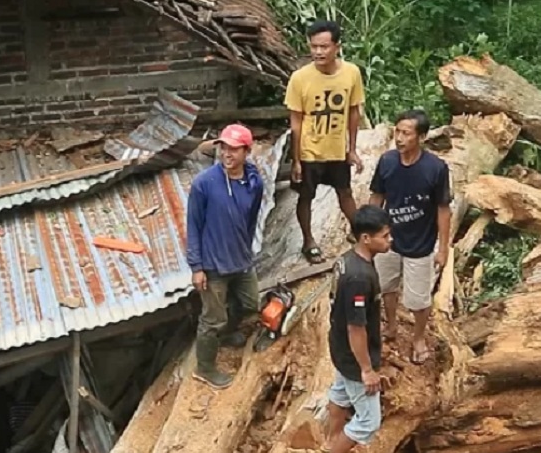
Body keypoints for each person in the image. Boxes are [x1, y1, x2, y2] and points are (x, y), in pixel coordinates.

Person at [186, 123, 266, 389]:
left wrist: (246, 249)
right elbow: (193, 225)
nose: (227, 154)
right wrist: (197, 267)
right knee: (212, 319)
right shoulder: (204, 184)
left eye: (234, 149)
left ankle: (229, 332)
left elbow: (251, 219)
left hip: (241, 259)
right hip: (212, 264)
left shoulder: (254, 183)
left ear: (246, 151)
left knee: (250, 303)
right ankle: (205, 368)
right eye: (224, 148)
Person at [370, 109, 453, 365]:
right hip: (389, 239)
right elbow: (377, 198)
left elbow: (443, 209)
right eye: (397, 131)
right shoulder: (387, 161)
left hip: (421, 243)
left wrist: (443, 248)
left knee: (418, 300)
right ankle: (392, 325)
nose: (399, 138)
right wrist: (370, 232)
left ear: (422, 136)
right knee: (386, 286)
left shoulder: (435, 169)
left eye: (406, 133)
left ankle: (418, 337)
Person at [320, 205, 392, 453]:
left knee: (339, 394)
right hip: (354, 355)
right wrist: (367, 369)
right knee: (369, 421)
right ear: (366, 238)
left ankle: (331, 438)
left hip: (338, 347)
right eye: (385, 236)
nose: (390, 240)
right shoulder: (359, 277)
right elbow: (356, 327)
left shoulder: (348, 260)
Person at [284, 20, 366, 265]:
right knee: (306, 196)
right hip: (310, 150)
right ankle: (309, 241)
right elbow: (296, 121)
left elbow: (353, 112)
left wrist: (352, 149)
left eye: (324, 46)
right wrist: (296, 159)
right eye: (314, 46)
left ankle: (359, 231)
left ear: (337, 47)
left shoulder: (351, 73)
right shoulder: (300, 78)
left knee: (345, 193)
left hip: (337, 149)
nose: (318, 52)